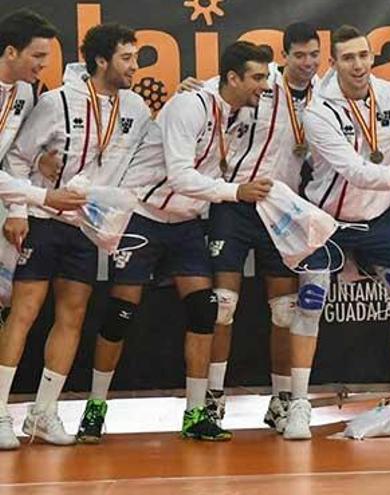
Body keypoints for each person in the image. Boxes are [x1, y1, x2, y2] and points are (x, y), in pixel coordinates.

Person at [74, 40, 274, 443]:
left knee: (205, 310)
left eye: (267, 78)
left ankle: (196, 412)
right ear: (232, 78)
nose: (264, 86)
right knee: (120, 314)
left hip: (184, 223)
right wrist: (237, 192)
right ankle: (95, 408)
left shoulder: (234, 112)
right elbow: (181, 175)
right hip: (144, 215)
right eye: (257, 78)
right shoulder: (190, 106)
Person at [283, 25, 390, 440]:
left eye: (363, 55)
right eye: (348, 58)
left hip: (378, 222)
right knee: (310, 301)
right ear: (334, 63)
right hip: (327, 223)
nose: (358, 65)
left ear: (371, 57)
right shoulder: (320, 109)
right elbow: (355, 170)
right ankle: (298, 406)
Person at [0, 23, 152, 449]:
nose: (134, 67)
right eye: (126, 58)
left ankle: (44, 412)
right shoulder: (54, 102)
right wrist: (17, 209)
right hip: (45, 217)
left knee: (74, 313)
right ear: (101, 60)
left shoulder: (137, 108)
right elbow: (17, 157)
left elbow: (143, 157)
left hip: (87, 225)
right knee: (25, 311)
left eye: (135, 58)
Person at [200, 22, 322, 435]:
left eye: (312, 55)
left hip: (280, 206)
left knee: (285, 310)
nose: (306, 63)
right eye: (298, 55)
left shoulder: (324, 94)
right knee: (223, 303)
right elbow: (212, 91)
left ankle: (282, 401)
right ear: (284, 56)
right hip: (234, 201)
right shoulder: (258, 82)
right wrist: (189, 89)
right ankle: (212, 400)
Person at [0, 10, 85, 215]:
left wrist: (38, 160)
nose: (45, 64)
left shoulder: (25, 92)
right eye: (38, 56)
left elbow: (14, 150)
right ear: (11, 52)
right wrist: (44, 197)